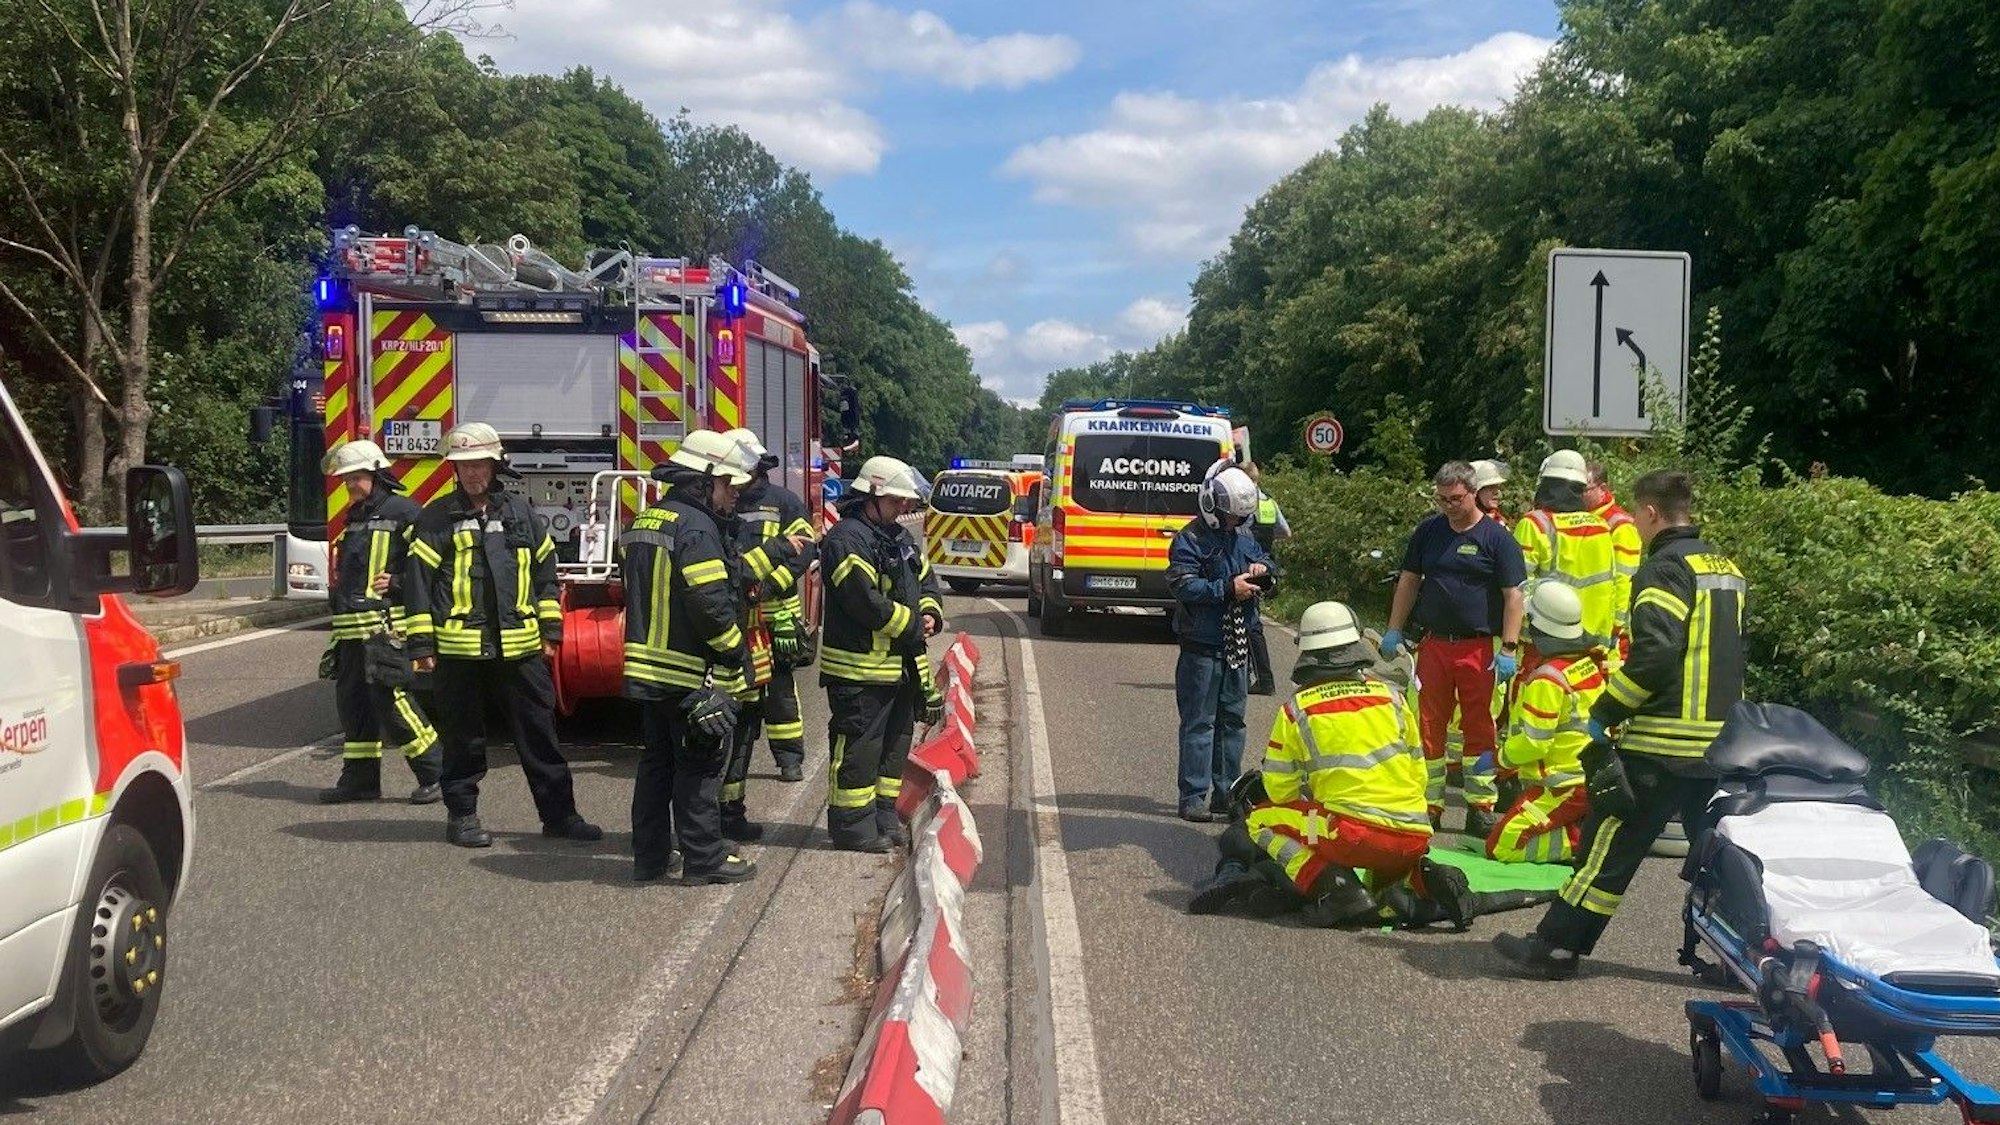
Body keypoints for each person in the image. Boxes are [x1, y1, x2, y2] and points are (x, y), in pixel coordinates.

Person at [1495, 469, 1747, 979]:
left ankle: (1556, 948)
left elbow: (1655, 653)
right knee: (1718, 857)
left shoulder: (1664, 569)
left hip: (1662, 739)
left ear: (1651, 513)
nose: (1633, 522)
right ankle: (1744, 957)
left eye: (1636, 513)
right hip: (1723, 742)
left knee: (1609, 842)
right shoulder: (1726, 566)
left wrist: (1607, 712)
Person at [1186, 601, 1463, 928]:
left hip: (1352, 835)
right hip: (1413, 832)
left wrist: (1313, 796)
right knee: (1384, 879)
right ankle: (1417, 880)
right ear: (1355, 647)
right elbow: (1417, 771)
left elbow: (1279, 791)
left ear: (1308, 654)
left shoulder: (1298, 709)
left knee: (1261, 821)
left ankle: (1335, 888)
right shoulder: (1393, 698)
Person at [403, 422, 602, 849]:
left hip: (521, 647)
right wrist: (421, 645)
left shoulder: (520, 513)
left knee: (540, 736)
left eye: (480, 464)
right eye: (464, 466)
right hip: (460, 651)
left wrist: (550, 629)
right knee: (464, 739)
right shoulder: (436, 518)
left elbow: (547, 574)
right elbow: (418, 584)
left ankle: (560, 817)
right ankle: (462, 816)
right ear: (453, 470)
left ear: (495, 466)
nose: (473, 473)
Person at [620, 429, 773, 884]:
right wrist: (735, 655)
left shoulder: (648, 519)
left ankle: (649, 858)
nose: (731, 498)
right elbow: (709, 604)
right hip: (690, 671)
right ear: (703, 482)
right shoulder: (698, 528)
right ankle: (703, 860)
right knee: (700, 767)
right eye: (727, 486)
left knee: (656, 767)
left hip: (648, 668)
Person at [1381, 461, 1526, 833]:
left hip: (1479, 648)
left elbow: (1513, 597)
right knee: (1429, 725)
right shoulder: (1429, 533)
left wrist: (1508, 648)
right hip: (1435, 645)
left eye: (1456, 499)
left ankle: (1481, 806)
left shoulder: (1496, 538)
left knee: (1480, 727)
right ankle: (1430, 804)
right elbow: (1410, 580)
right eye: (1442, 499)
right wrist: (1394, 629)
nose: (1449, 506)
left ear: (1472, 492)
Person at [819, 455, 944, 852]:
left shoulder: (897, 537)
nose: (903, 508)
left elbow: (926, 581)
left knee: (893, 749)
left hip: (898, 670)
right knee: (859, 750)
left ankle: (882, 815)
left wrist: (930, 613)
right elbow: (864, 602)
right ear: (872, 494)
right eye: (895, 501)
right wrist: (911, 625)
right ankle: (852, 828)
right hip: (859, 672)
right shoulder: (846, 539)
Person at [318, 439, 442, 805]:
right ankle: (360, 780)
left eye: (356, 478)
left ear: (375, 474)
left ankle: (435, 771)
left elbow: (431, 568)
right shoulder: (355, 518)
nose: (350, 486)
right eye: (346, 480)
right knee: (353, 704)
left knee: (392, 700)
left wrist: (400, 582)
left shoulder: (406, 513)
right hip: (352, 632)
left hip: (387, 628)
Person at [716, 430, 812, 841]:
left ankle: (789, 758)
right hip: (740, 619)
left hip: (775, 616)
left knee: (780, 692)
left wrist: (772, 583)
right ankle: (730, 788)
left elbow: (805, 547)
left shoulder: (785, 502)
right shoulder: (721, 505)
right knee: (744, 701)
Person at [1167, 462, 1274, 823]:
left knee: (1233, 721)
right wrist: (1227, 589)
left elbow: (1266, 561)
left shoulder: (1244, 537)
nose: (1234, 523)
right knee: (1200, 722)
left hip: (1237, 644)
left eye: (1239, 517)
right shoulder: (1190, 539)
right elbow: (1183, 585)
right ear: (1213, 506)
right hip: (1202, 644)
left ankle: (1225, 793)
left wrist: (1264, 573)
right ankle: (1193, 797)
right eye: (1229, 516)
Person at [1480, 582, 1602, 865]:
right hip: (1587, 777)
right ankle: (1581, 828)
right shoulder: (1586, 664)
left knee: (1501, 846)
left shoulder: (1547, 679)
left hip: (1562, 785)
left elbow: (1535, 743)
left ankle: (1579, 843)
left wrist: (1498, 759)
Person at [1241, 462, 1291, 697]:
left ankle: (1263, 679)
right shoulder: (1269, 502)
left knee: (1250, 625)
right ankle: (1254, 675)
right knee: (1251, 622)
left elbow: (1238, 535)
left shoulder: (1243, 504)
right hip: (1266, 567)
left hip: (1247, 566)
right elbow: (1286, 532)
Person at [1584, 459, 1642, 660]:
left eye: (1584, 489)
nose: (1577, 495)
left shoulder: (1620, 525)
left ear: (1603, 488)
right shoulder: (1582, 518)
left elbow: (1625, 579)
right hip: (1587, 626)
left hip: (1613, 635)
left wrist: (1615, 628)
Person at [1471, 459, 1510, 527]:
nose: (1497, 492)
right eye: (1490, 487)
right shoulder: (1466, 525)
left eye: (1497, 487)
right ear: (1475, 492)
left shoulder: (1497, 520)